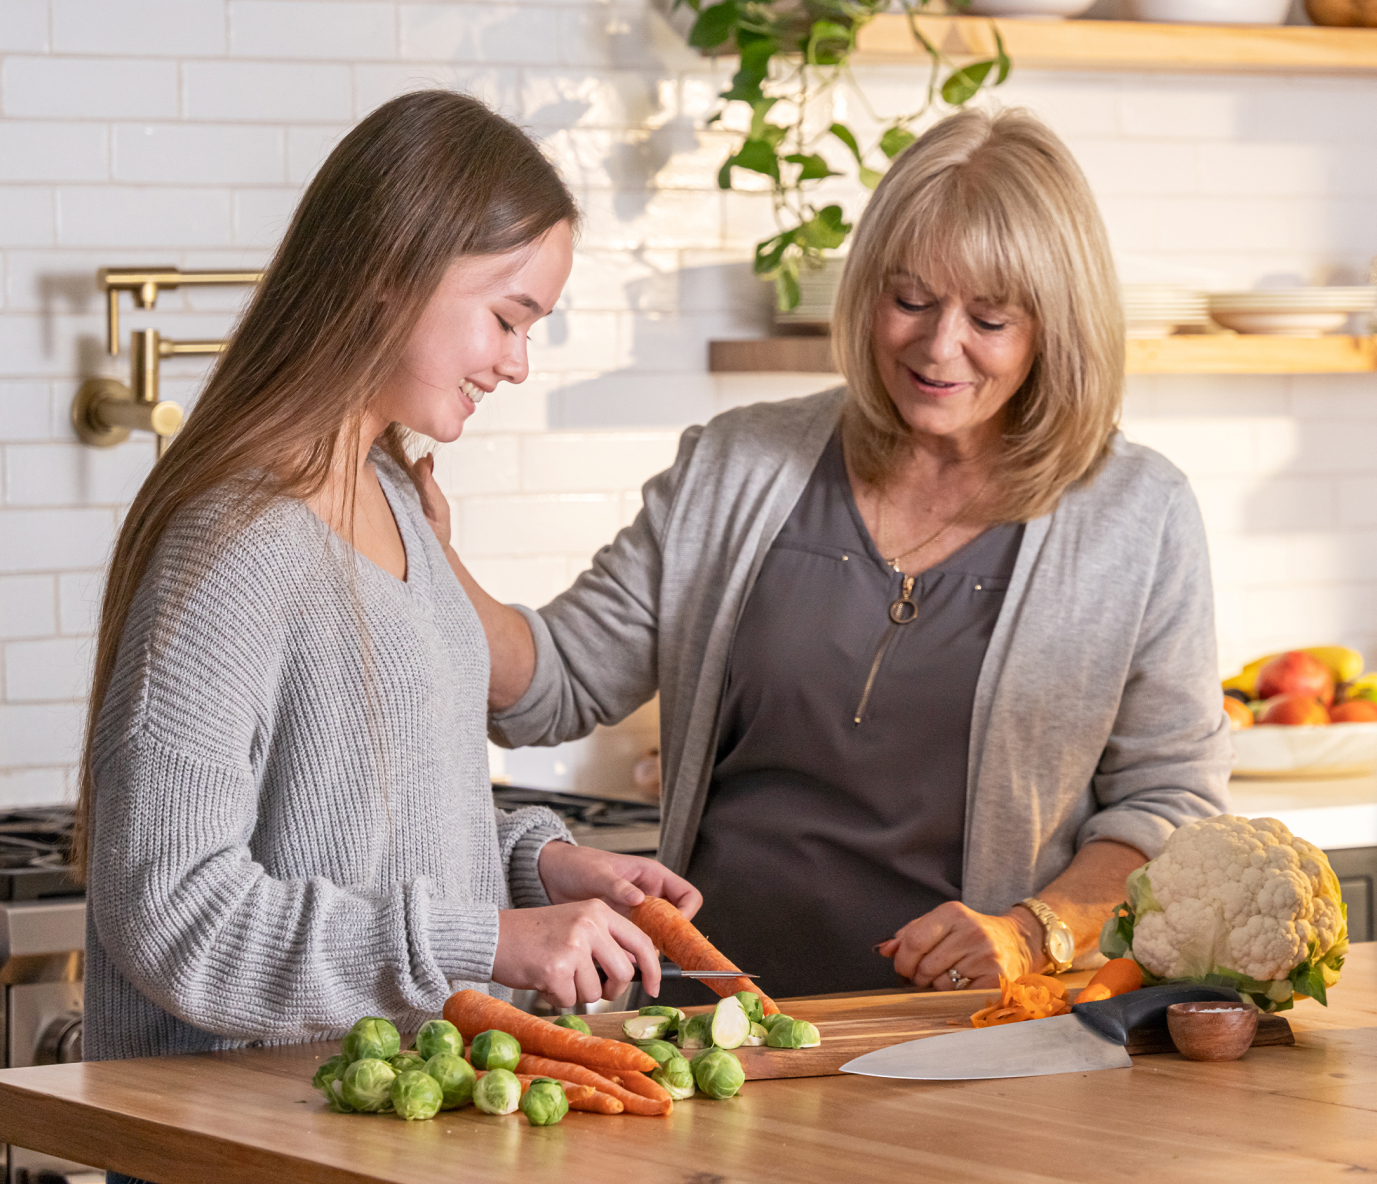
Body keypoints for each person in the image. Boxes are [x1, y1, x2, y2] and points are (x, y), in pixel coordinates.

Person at [428, 107, 1230, 1000]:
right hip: (717, 1027)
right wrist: (430, 555)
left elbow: (1170, 804)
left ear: (1055, 327)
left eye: (990, 319)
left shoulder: (1137, 514)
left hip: (969, 1042)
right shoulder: (739, 465)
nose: (938, 345)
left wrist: (1033, 932)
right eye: (910, 299)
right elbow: (553, 684)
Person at [78, 91, 698, 1073]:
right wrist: (490, 942)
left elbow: (369, 821)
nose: (516, 361)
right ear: (389, 273)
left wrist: (537, 865)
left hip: (371, 1131)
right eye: (505, 317)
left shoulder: (392, 499)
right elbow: (173, 912)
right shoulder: (233, 541)